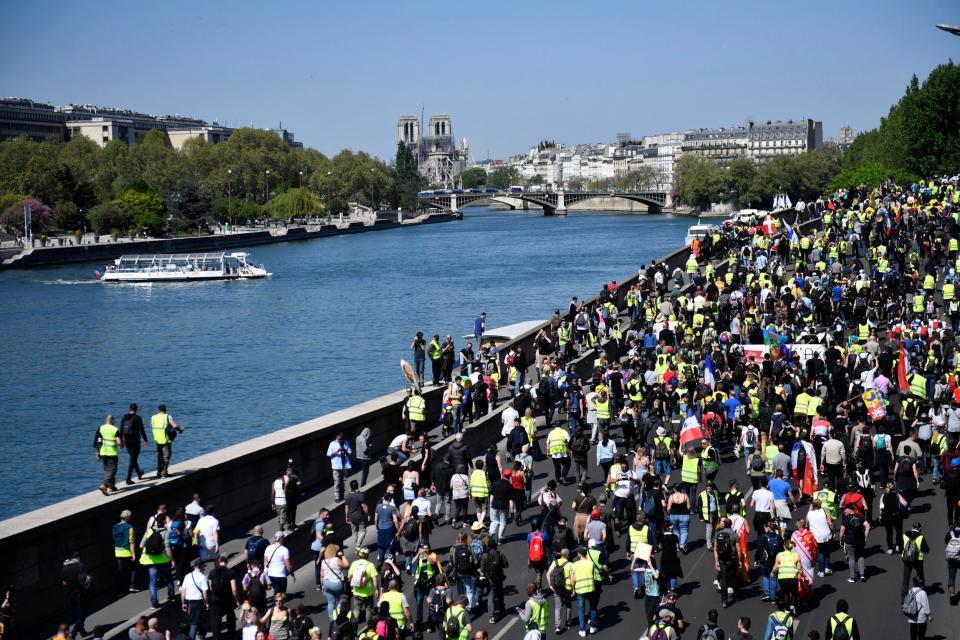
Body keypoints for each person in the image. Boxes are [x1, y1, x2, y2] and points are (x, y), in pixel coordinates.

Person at [141, 506, 175, 608]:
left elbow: (141, 545)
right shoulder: (166, 532)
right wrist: (172, 560)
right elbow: (168, 548)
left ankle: (154, 602)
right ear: (164, 522)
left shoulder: (149, 531)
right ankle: (171, 596)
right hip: (163, 560)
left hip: (150, 560)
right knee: (169, 578)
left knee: (152, 583)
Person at [567, 546, 600, 637]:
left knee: (581, 610)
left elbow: (573, 580)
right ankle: (592, 627)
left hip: (580, 590)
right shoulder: (591, 563)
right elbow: (594, 576)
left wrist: (573, 589)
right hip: (591, 588)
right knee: (593, 607)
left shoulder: (575, 565)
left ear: (579, 554)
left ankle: (583, 630)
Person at [62, 551, 91, 640]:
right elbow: (85, 580)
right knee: (84, 613)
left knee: (77, 613)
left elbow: (64, 582)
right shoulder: (80, 566)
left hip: (70, 594)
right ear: (78, 557)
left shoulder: (65, 568)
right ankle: (72, 634)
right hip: (79, 594)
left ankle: (82, 631)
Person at [714, 517, 742, 607]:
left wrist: (716, 561)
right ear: (731, 525)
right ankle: (737, 595)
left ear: (724, 524)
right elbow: (738, 550)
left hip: (722, 559)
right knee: (733, 577)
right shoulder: (734, 535)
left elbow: (715, 549)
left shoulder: (718, 534)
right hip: (732, 559)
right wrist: (740, 560)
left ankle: (724, 601)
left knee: (724, 580)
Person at [839, 505, 869, 583]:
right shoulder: (860, 516)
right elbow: (867, 525)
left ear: (850, 509)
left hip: (850, 541)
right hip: (860, 540)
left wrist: (841, 540)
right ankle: (862, 574)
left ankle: (852, 577)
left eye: (845, 509)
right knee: (860, 556)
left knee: (851, 558)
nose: (844, 511)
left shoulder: (846, 518)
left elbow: (842, 531)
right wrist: (865, 536)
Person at [150, 404, 182, 479]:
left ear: (158, 410)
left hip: (157, 439)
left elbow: (152, 427)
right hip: (165, 440)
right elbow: (175, 426)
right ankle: (164, 473)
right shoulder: (167, 416)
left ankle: (158, 472)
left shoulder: (153, 417)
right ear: (165, 410)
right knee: (167, 456)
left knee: (159, 456)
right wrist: (180, 430)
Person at [120, 403, 148, 485]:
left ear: (129, 409)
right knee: (132, 459)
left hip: (127, 441)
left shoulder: (124, 417)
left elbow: (121, 430)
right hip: (135, 441)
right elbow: (141, 430)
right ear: (136, 409)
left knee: (133, 458)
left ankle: (139, 473)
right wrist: (145, 440)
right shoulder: (138, 418)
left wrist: (121, 442)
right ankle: (128, 479)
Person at [481, 539, 508, 624]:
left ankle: (492, 616)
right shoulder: (499, 553)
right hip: (499, 577)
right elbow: (506, 564)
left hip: (490, 579)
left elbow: (482, 569)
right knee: (500, 593)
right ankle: (502, 610)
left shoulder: (485, 555)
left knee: (491, 597)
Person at [181, 559, 208, 640]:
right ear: (201, 566)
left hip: (189, 601)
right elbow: (205, 592)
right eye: (203, 566)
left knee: (195, 618)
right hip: (198, 601)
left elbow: (183, 590)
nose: (204, 568)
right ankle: (191, 638)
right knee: (195, 621)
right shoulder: (202, 577)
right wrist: (206, 602)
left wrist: (183, 603)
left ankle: (201, 633)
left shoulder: (187, 576)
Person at [94, 414, 121, 495]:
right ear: (112, 420)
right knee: (113, 470)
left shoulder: (100, 428)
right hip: (112, 453)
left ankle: (112, 486)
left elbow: (98, 442)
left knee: (107, 470)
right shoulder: (115, 429)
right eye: (114, 420)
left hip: (103, 453)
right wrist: (120, 445)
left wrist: (97, 452)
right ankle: (104, 485)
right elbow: (119, 442)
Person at [113, 509, 138, 595]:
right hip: (127, 552)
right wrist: (133, 554)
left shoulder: (114, 527)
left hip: (118, 552)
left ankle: (119, 590)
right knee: (133, 569)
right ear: (128, 517)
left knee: (120, 571)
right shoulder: (129, 527)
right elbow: (131, 541)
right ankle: (131, 586)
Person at [901, 521, 930, 595]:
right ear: (919, 529)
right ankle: (921, 594)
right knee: (920, 577)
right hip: (918, 560)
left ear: (912, 528)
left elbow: (901, 547)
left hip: (906, 560)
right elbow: (926, 550)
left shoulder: (905, 535)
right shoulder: (920, 537)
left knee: (906, 579)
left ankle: (904, 598)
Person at [264, 531, 295, 595]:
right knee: (280, 595)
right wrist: (292, 574)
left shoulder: (268, 548)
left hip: (271, 575)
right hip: (280, 576)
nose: (284, 538)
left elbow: (265, 561)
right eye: (283, 537)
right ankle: (277, 603)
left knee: (276, 590)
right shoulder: (284, 550)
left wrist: (266, 572)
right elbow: (288, 566)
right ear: (281, 539)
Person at [328, 433, 353, 502]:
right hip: (336, 466)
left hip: (344, 465)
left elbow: (350, 452)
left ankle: (342, 495)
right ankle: (337, 497)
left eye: (342, 439)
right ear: (337, 437)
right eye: (339, 439)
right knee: (337, 482)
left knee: (343, 481)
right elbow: (328, 454)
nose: (341, 440)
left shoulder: (345, 442)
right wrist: (337, 452)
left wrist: (344, 450)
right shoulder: (332, 444)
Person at [946, 525, 960, 597]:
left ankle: (952, 593)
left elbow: (946, 544)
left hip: (951, 559)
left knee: (951, 576)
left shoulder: (949, 534)